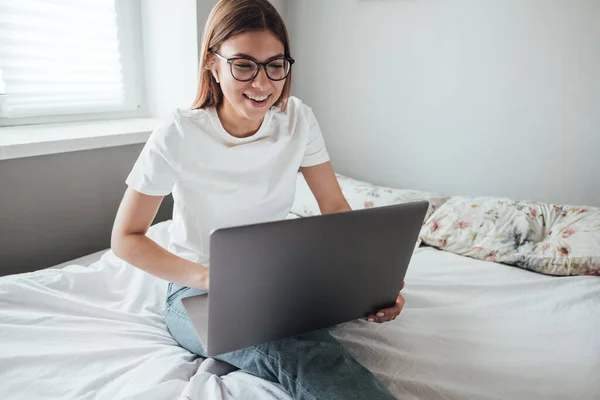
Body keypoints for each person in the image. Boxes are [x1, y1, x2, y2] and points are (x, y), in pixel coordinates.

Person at [111, 0, 404, 398]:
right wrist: (210, 278)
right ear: (212, 63)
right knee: (297, 350)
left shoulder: (298, 118)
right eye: (244, 65)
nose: (263, 83)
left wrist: (369, 284)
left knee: (302, 333)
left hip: (280, 278)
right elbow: (126, 238)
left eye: (276, 65)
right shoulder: (178, 133)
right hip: (197, 290)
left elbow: (334, 208)